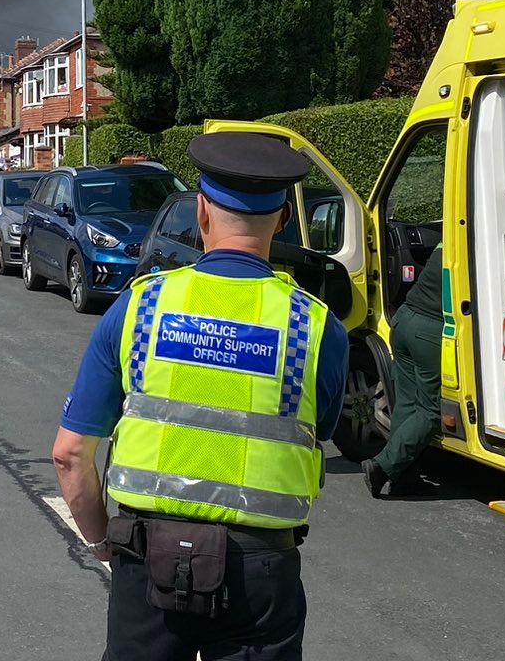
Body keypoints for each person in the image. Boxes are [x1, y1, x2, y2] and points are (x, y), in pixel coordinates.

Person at [52, 132, 349, 661]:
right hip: (261, 571)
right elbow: (319, 431)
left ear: (202, 211)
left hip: (147, 560)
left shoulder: (141, 308)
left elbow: (70, 455)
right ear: (282, 221)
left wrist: (102, 545)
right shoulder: (315, 326)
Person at [364, 245, 443, 496]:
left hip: (404, 320)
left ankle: (405, 478)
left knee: (406, 405)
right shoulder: (474, 240)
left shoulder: (446, 242)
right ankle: (382, 466)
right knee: (431, 411)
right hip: (428, 330)